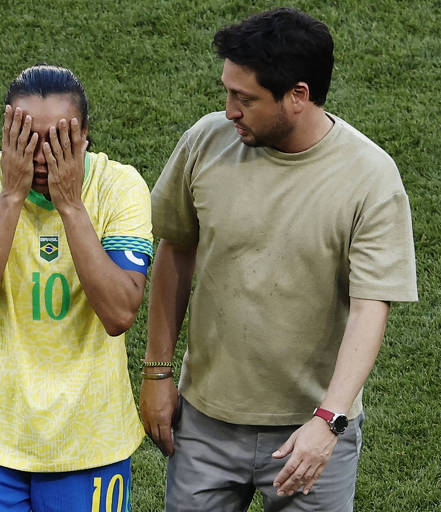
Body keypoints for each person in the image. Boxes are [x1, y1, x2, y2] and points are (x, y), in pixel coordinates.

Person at [140, 7, 418, 512]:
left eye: (244, 98)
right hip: (204, 421)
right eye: (227, 92)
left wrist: (329, 420)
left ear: (298, 96)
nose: (229, 111)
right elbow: (175, 250)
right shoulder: (206, 142)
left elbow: (370, 308)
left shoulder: (371, 177)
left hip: (309, 432)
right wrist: (157, 373)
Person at [0, 64, 153, 512]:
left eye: (58, 138)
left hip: (89, 441)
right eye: (26, 138)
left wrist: (71, 204)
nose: (41, 155)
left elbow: (119, 313)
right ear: (6, 133)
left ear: (86, 134)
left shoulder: (119, 186)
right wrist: (11, 196)